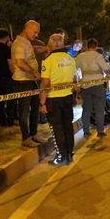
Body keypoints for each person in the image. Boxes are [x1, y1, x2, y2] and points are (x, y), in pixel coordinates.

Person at [40, 34, 77, 166]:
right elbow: (74, 80)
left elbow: (45, 84)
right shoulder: (70, 59)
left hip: (53, 99)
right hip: (67, 97)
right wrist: (75, 96)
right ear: (62, 44)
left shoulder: (48, 60)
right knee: (68, 126)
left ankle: (61, 157)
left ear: (50, 44)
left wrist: (42, 103)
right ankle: (69, 153)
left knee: (57, 129)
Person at [12, 20, 44, 147]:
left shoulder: (26, 42)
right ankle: (26, 138)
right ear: (27, 28)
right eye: (35, 32)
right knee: (24, 111)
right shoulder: (19, 44)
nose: (36, 35)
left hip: (30, 81)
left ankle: (34, 133)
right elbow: (20, 63)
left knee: (35, 108)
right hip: (23, 81)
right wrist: (34, 72)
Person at [76, 38, 110, 138]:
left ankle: (86, 131)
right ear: (96, 47)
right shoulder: (98, 56)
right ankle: (100, 131)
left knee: (86, 109)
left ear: (87, 46)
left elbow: (74, 70)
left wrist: (78, 84)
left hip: (85, 86)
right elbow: (106, 70)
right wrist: (108, 78)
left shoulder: (80, 57)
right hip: (98, 86)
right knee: (99, 110)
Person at [0, 28, 16, 126]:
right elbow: (10, 64)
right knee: (11, 101)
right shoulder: (6, 49)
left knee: (0, 103)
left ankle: (1, 120)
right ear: (6, 37)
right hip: (7, 78)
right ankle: (10, 121)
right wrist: (14, 75)